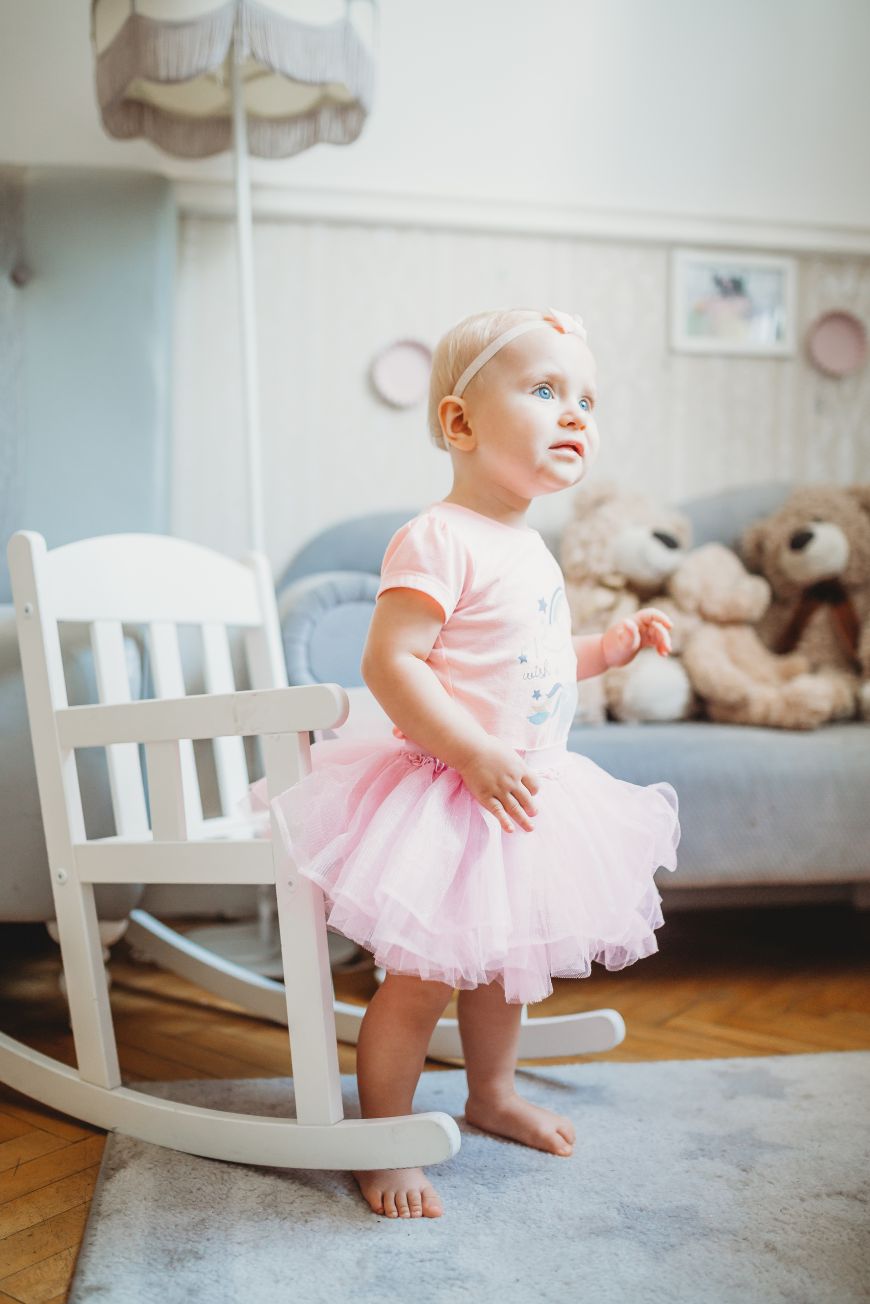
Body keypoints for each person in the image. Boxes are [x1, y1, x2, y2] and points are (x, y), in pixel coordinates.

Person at [259, 306, 680, 1221]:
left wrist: (606, 649)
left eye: (587, 400)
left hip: (521, 793)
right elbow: (391, 663)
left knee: (502, 965)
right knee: (421, 983)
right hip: (453, 788)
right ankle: (384, 1137)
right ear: (460, 423)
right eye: (546, 390)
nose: (574, 414)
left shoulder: (531, 546)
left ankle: (491, 1093)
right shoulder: (437, 537)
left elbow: (531, 659)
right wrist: (473, 750)